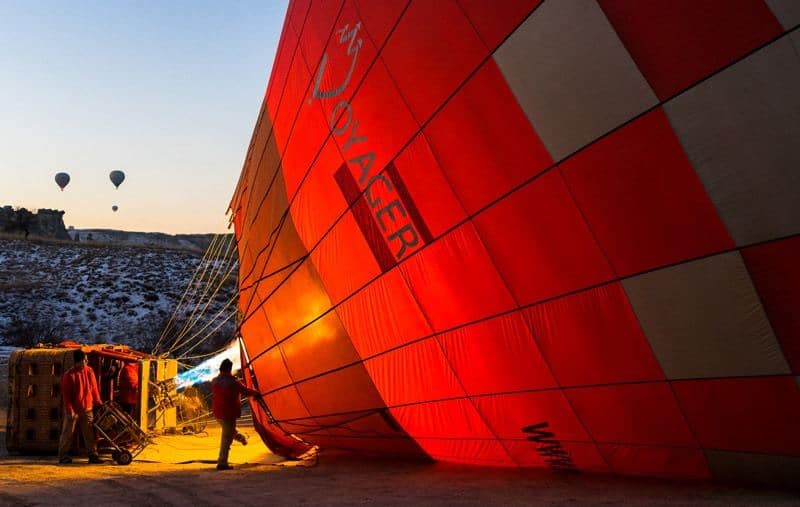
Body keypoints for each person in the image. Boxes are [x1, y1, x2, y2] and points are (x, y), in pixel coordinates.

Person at [211, 358, 259, 470]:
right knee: (226, 439)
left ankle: (241, 438)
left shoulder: (215, 381)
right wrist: (256, 393)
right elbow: (246, 391)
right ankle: (222, 463)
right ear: (230, 369)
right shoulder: (233, 383)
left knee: (229, 432)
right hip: (229, 413)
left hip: (218, 413)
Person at [58, 349, 104, 464]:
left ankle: (93, 454)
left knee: (89, 434)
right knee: (68, 433)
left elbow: (94, 389)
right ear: (79, 361)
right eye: (85, 359)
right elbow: (66, 396)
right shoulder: (69, 375)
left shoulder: (89, 371)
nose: (87, 361)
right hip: (73, 410)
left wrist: (98, 402)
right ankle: (63, 455)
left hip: (87, 407)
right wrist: (70, 410)